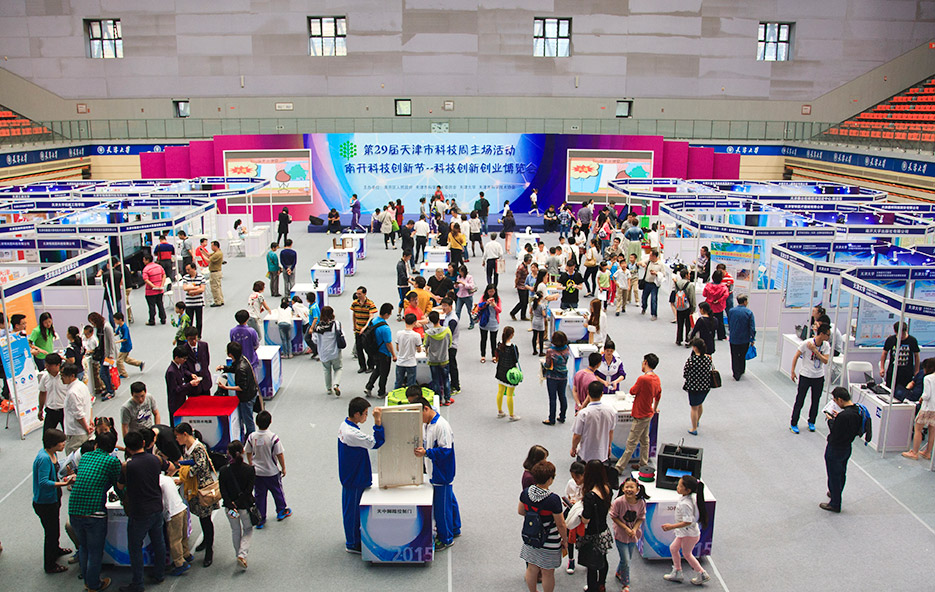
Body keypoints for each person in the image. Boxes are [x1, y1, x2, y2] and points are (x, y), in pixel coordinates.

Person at [68, 431, 121, 592]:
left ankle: (87, 581)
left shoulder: (85, 457)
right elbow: (119, 486)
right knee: (95, 551)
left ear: (96, 445)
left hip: (74, 509)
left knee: (83, 547)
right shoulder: (112, 461)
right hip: (94, 513)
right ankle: (94, 585)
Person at [117, 430, 167, 591]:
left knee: (135, 547)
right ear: (144, 443)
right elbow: (170, 467)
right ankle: (160, 573)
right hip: (156, 507)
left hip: (139, 512)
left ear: (127, 448)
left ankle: (138, 583)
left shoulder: (128, 466)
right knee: (159, 542)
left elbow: (120, 486)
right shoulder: (155, 459)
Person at [338, 397, 384, 553]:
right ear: (357, 414)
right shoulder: (352, 434)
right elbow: (376, 443)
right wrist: (378, 422)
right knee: (352, 513)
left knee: (351, 510)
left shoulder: (345, 425)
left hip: (350, 475)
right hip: (354, 477)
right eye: (365, 413)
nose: (366, 416)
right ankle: (352, 543)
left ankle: (354, 539)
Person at [414, 396, 461, 549]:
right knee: (449, 500)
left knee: (442, 508)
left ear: (426, 409)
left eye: (420, 415)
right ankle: (455, 527)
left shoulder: (441, 426)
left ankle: (446, 538)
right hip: (435, 470)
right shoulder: (427, 424)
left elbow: (445, 451)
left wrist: (427, 453)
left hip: (441, 472)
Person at [174, 422, 220, 567]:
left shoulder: (198, 448)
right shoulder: (186, 448)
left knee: (206, 519)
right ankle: (206, 540)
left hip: (203, 489)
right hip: (193, 487)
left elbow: (200, 466)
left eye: (178, 436)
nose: (176, 439)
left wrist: (184, 474)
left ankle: (209, 550)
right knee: (201, 517)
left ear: (185, 434)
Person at [518, 460, 567, 592]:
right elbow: (560, 524)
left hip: (531, 537)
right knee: (547, 573)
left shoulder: (526, 493)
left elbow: (521, 511)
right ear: (550, 479)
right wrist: (565, 540)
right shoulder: (553, 499)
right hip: (549, 540)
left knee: (531, 568)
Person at [33, 427, 74, 575]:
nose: (64, 444)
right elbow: (43, 482)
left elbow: (55, 472)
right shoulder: (44, 459)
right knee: (50, 533)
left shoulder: (52, 454)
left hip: (53, 498)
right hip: (45, 502)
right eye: (61, 442)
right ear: (53, 444)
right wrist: (64, 483)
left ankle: (55, 550)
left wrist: (65, 474)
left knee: (54, 529)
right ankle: (50, 565)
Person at [615, 353, 662, 472]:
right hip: (648, 413)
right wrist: (654, 408)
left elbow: (632, 391)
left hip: (640, 414)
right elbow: (658, 395)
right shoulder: (656, 378)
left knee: (631, 443)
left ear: (645, 362)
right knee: (645, 440)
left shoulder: (643, 379)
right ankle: (643, 463)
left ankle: (619, 468)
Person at [661, 475, 711, 584]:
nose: (677, 487)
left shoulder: (685, 504)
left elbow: (688, 521)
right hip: (685, 533)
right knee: (673, 548)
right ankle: (677, 572)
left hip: (689, 535)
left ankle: (701, 573)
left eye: (680, 486)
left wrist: (671, 526)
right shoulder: (687, 498)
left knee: (687, 554)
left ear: (688, 490)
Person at [245, 410, 290, 528]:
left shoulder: (252, 437)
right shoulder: (273, 438)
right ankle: (281, 511)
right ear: (270, 422)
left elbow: (248, 451)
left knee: (259, 495)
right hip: (271, 472)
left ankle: (260, 519)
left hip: (257, 472)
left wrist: (251, 463)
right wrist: (283, 468)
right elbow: (279, 454)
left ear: (256, 422)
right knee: (277, 491)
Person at [218, 440, 255, 570]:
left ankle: (237, 553)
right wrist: (239, 502)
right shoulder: (249, 470)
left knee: (235, 530)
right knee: (248, 529)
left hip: (230, 508)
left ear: (228, 453)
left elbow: (223, 490)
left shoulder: (224, 471)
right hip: (244, 506)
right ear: (243, 451)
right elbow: (248, 490)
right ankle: (242, 553)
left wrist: (230, 503)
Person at [577, 459, 612, 592]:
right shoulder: (607, 488)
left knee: (591, 564)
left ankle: (592, 588)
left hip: (591, 534)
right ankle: (602, 584)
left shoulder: (590, 496)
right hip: (603, 530)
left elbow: (586, 519)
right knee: (603, 559)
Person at [790, 323, 832, 434]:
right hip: (806, 376)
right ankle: (793, 423)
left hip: (818, 377)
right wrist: (793, 371)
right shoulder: (806, 343)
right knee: (800, 400)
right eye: (827, 334)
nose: (829, 337)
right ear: (821, 334)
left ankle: (811, 421)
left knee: (815, 401)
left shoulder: (826, 345)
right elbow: (796, 356)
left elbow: (825, 360)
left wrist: (815, 350)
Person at [610, 477, 648, 591]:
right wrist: (626, 528)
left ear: (637, 489)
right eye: (627, 487)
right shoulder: (618, 502)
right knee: (626, 560)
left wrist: (634, 529)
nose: (629, 489)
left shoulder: (641, 502)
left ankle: (619, 572)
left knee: (626, 558)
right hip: (621, 534)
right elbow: (614, 517)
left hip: (633, 535)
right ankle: (625, 584)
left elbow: (641, 517)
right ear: (623, 488)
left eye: (632, 487)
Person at [217, 341, 260, 436]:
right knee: (247, 418)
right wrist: (224, 368)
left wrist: (226, 387)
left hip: (246, 398)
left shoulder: (241, 368)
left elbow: (241, 387)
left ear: (230, 354)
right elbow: (234, 369)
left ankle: (251, 438)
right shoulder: (242, 359)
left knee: (248, 421)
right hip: (250, 393)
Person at [159, 463, 192, 577]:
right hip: (181, 508)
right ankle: (186, 554)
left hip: (173, 513)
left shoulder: (156, 482)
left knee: (174, 540)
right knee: (183, 536)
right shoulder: (166, 479)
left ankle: (180, 563)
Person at [571, 381, 616, 463]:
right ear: (602, 394)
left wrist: (573, 448)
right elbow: (610, 432)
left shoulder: (583, 413)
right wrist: (609, 446)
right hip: (602, 454)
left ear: (588, 393)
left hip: (585, 454)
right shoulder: (611, 412)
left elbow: (577, 435)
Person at [901, 358, 935, 460]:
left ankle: (914, 452)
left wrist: (921, 398)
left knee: (918, 429)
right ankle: (928, 452)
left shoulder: (928, 378)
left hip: (927, 408)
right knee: (932, 430)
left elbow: (927, 395)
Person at [364, 303, 396, 399]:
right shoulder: (385, 328)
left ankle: (369, 387)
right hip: (384, 353)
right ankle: (381, 392)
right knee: (384, 373)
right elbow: (388, 343)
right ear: (386, 314)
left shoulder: (373, 321)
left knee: (377, 370)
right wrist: (393, 355)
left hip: (374, 350)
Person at [683, 339, 713, 436]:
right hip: (705, 386)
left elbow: (685, 373)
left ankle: (694, 428)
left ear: (695, 348)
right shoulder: (708, 359)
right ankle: (697, 420)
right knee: (700, 404)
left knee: (694, 407)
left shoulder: (692, 360)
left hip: (694, 387)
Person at [313, 306, 345, 397]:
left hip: (323, 352)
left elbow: (314, 340)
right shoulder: (336, 324)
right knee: (338, 368)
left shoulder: (317, 327)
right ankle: (336, 384)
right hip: (335, 351)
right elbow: (342, 335)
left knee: (326, 370)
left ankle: (328, 388)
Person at [61, 363, 93, 453]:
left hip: (76, 432)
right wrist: (90, 420)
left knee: (73, 457)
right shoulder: (82, 385)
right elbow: (89, 405)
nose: (61, 378)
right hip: (84, 428)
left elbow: (78, 414)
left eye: (63, 376)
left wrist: (86, 427)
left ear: (72, 376)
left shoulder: (72, 392)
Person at [881, 322, 921, 391]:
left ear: (906, 330)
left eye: (903, 333)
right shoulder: (891, 340)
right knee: (889, 390)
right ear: (895, 332)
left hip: (906, 372)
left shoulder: (912, 340)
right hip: (893, 371)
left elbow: (916, 356)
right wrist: (882, 368)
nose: (901, 336)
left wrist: (916, 370)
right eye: (899, 334)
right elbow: (884, 353)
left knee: (904, 391)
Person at [165, 346, 201, 425]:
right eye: (183, 359)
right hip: (175, 403)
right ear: (176, 357)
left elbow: (184, 371)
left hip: (182, 400)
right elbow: (176, 390)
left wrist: (190, 374)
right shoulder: (171, 372)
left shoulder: (179, 365)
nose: (185, 360)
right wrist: (190, 384)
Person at [425, 310, 453, 405]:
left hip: (433, 360)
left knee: (435, 380)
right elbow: (450, 343)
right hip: (444, 359)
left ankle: (439, 400)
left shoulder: (428, 333)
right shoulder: (447, 330)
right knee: (446, 379)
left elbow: (425, 345)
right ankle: (447, 399)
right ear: (439, 319)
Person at [88, 312, 118, 401]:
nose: (92, 324)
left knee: (103, 373)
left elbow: (111, 341)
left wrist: (111, 355)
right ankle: (109, 389)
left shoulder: (107, 327)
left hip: (108, 355)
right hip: (103, 354)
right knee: (106, 373)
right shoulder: (99, 327)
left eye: (92, 322)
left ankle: (110, 390)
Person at [493, 326, 521, 420]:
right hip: (510, 373)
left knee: (500, 391)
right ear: (512, 335)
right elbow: (516, 359)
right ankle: (512, 415)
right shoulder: (513, 347)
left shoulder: (499, 344)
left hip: (500, 371)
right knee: (510, 394)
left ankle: (500, 411)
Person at [727, 294, 756, 380]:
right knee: (742, 355)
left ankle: (736, 373)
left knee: (734, 355)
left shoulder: (731, 311)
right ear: (745, 302)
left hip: (734, 337)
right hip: (744, 338)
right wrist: (752, 338)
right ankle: (741, 369)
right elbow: (752, 327)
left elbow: (729, 323)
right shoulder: (749, 312)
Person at [38, 353, 68, 433]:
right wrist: (40, 409)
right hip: (51, 410)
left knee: (68, 434)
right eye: (46, 365)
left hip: (65, 410)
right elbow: (42, 393)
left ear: (58, 365)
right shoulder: (45, 377)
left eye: (50, 366)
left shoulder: (65, 377)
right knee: (47, 435)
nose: (47, 367)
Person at [350, 287, 377, 374]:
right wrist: (354, 326)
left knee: (368, 349)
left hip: (367, 331)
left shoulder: (370, 303)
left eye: (359, 294)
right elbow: (354, 314)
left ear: (365, 294)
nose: (358, 295)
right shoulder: (355, 303)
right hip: (358, 330)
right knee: (359, 349)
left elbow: (371, 317)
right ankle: (362, 366)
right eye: (357, 293)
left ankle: (371, 366)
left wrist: (365, 327)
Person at [181, 326, 212, 396]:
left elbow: (207, 360)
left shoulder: (204, 345)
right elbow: (183, 367)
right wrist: (190, 374)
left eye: (195, 338)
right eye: (191, 339)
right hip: (193, 384)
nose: (194, 341)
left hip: (205, 381)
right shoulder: (183, 349)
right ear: (186, 338)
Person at [395, 313, 422, 389]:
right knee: (411, 385)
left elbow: (397, 348)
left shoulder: (399, 333)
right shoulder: (417, 335)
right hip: (411, 363)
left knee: (398, 383)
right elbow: (419, 350)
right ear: (415, 322)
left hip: (400, 362)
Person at [475, 284, 501, 363]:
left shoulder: (497, 299)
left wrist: (494, 306)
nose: (491, 293)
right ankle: (483, 355)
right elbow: (478, 307)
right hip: (484, 321)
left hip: (494, 322)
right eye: (490, 291)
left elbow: (499, 310)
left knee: (493, 340)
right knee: (483, 339)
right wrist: (486, 303)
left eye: (493, 291)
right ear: (487, 291)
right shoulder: (483, 297)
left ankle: (494, 356)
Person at [230, 310, 261, 376]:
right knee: (252, 378)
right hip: (250, 360)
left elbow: (232, 344)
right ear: (247, 318)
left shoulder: (232, 331)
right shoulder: (251, 331)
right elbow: (256, 344)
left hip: (238, 361)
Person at [113, 312, 144, 378]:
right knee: (126, 359)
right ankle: (139, 363)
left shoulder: (124, 327)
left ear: (120, 320)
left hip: (126, 346)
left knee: (119, 360)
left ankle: (124, 374)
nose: (114, 321)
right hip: (124, 346)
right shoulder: (120, 326)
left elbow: (125, 338)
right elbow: (116, 333)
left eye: (115, 320)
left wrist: (116, 342)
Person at [702, 269, 728, 341]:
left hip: (709, 306)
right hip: (719, 306)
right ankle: (721, 336)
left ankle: (711, 335)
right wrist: (719, 300)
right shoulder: (723, 287)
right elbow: (726, 295)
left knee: (710, 321)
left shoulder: (708, 286)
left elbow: (704, 294)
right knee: (720, 321)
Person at [510, 253, 533, 321]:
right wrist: (516, 284)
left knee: (525, 302)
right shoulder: (521, 268)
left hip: (525, 286)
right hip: (521, 286)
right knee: (522, 302)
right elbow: (517, 277)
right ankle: (513, 312)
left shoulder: (526, 266)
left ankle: (523, 315)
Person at [530, 290, 549, 356]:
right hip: (540, 321)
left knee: (534, 336)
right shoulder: (542, 306)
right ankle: (541, 352)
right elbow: (544, 314)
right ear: (540, 298)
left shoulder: (532, 304)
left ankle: (534, 351)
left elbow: (530, 312)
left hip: (534, 320)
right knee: (541, 337)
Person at [395, 250, 412, 320]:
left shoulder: (405, 263)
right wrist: (411, 282)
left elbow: (406, 273)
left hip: (407, 285)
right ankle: (399, 314)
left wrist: (410, 277)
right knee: (402, 300)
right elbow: (402, 276)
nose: (409, 259)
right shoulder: (400, 265)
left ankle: (405, 314)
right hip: (402, 285)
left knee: (407, 300)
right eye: (409, 257)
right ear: (405, 256)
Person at [208, 240, 224, 306]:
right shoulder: (217, 252)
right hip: (217, 272)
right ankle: (220, 300)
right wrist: (202, 252)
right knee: (218, 287)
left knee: (215, 287)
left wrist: (202, 256)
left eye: (212, 246)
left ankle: (217, 301)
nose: (211, 247)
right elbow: (209, 255)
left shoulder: (217, 254)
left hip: (215, 272)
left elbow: (208, 260)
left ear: (215, 246)